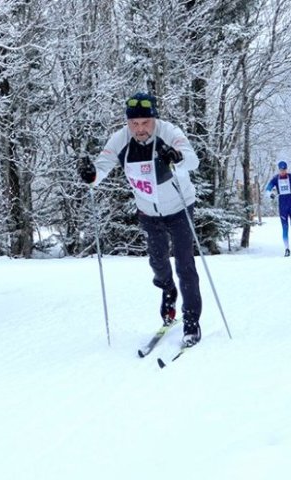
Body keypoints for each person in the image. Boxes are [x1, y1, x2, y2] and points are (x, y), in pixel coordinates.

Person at [77, 93, 202, 347]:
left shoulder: (169, 132)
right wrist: (91, 176)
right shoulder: (120, 139)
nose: (140, 129)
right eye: (134, 124)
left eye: (145, 122)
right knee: (157, 262)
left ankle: (191, 323)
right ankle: (168, 291)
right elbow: (102, 167)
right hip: (148, 211)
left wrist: (177, 157)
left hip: (179, 207)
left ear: (154, 119)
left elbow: (193, 160)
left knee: (185, 265)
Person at [266, 161, 291, 257]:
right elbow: (267, 189)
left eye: (284, 170)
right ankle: (287, 249)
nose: (283, 172)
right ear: (279, 170)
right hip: (282, 203)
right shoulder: (275, 178)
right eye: (281, 170)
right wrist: (271, 194)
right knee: (285, 227)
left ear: (287, 169)